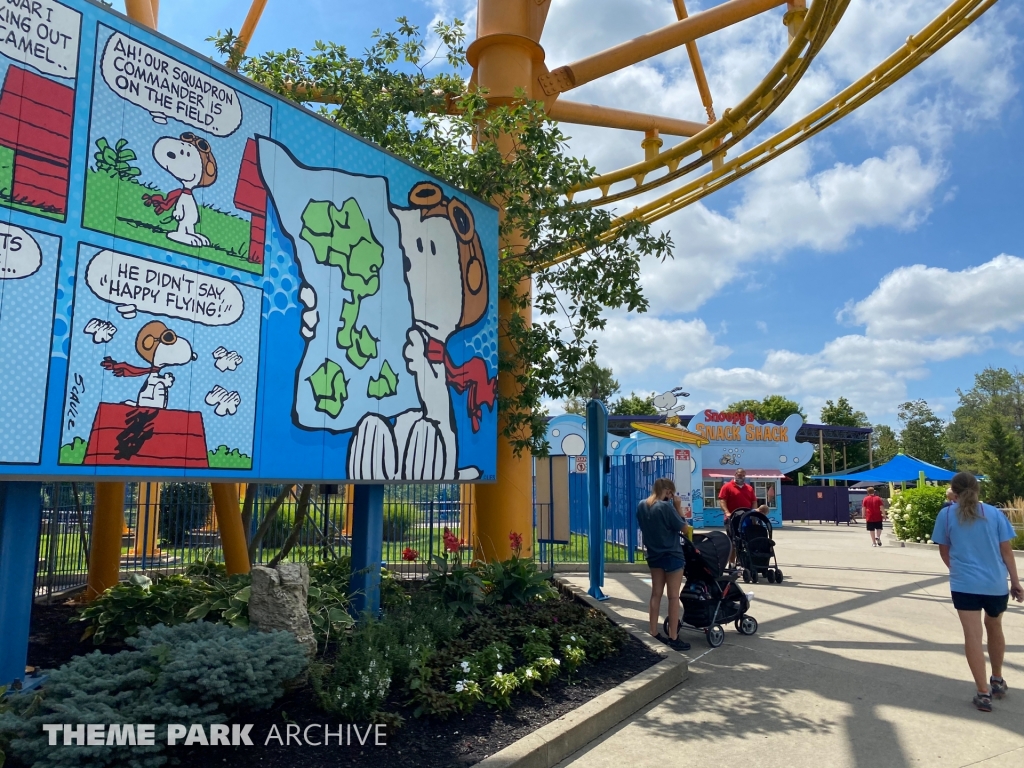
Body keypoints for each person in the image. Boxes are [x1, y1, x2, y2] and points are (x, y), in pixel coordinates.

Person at [931, 472, 1024, 712]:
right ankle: (997, 678)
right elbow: (1007, 552)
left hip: (964, 586)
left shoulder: (947, 515)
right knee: (994, 626)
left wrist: (960, 571)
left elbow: (944, 551)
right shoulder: (994, 514)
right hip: (995, 584)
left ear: (954, 490)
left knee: (972, 636)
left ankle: (983, 693)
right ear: (977, 489)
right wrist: (1015, 581)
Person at [638, 478, 691, 652]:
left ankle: (653, 632)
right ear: (668, 491)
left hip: (654, 555)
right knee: (673, 597)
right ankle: (673, 637)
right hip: (672, 555)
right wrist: (678, 507)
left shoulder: (642, 505)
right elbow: (684, 528)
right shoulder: (666, 507)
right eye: (672, 493)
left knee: (656, 594)